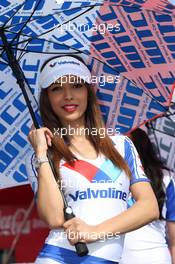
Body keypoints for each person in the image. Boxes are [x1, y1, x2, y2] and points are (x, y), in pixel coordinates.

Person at [27, 55, 159, 264]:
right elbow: (54, 218)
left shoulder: (121, 145)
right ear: (47, 98)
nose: (68, 95)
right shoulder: (44, 153)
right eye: (56, 88)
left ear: (89, 92)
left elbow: (149, 207)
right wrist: (42, 155)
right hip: (59, 257)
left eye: (77, 85)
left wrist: (95, 232)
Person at [120, 128, 175, 264]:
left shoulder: (166, 178)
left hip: (153, 256)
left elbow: (174, 239)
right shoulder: (109, 176)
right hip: (115, 257)